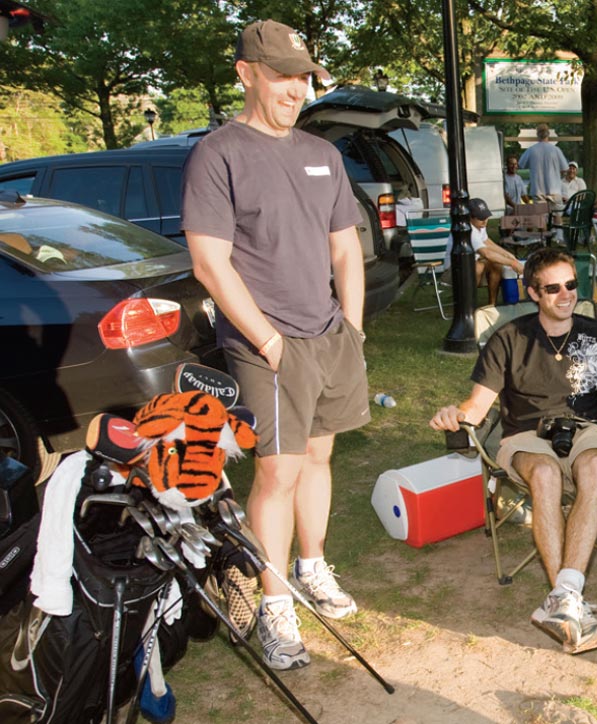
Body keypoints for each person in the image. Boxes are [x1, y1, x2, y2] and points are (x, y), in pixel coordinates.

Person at [182, 19, 367, 672]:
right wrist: (264, 338)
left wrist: (354, 324)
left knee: (319, 458)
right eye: (283, 75)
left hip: (328, 337)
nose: (297, 88)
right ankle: (275, 604)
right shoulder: (219, 153)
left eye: (302, 76)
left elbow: (345, 246)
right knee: (278, 472)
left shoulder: (322, 154)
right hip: (269, 344)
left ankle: (312, 568)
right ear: (246, 74)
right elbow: (210, 261)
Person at [429, 247, 597, 654]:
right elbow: (477, 408)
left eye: (571, 284)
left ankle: (562, 597)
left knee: (594, 466)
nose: (565, 295)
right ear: (533, 293)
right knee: (547, 474)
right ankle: (569, 602)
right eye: (552, 289)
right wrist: (455, 414)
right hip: (525, 435)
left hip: (586, 429)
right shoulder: (509, 339)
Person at [462, 198, 525, 305]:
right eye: (480, 218)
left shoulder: (479, 226)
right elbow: (486, 253)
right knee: (479, 267)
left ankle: (492, 304)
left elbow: (488, 242)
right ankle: (469, 305)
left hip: (472, 263)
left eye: (486, 216)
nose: (485, 220)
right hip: (457, 269)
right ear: (469, 218)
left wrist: (509, 255)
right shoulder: (468, 230)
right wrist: (513, 263)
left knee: (496, 265)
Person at [516, 124, 567, 210]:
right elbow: (565, 169)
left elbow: (520, 165)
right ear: (548, 134)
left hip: (538, 191)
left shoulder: (531, 150)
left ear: (537, 134)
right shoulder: (556, 150)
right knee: (556, 217)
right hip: (555, 191)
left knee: (541, 219)